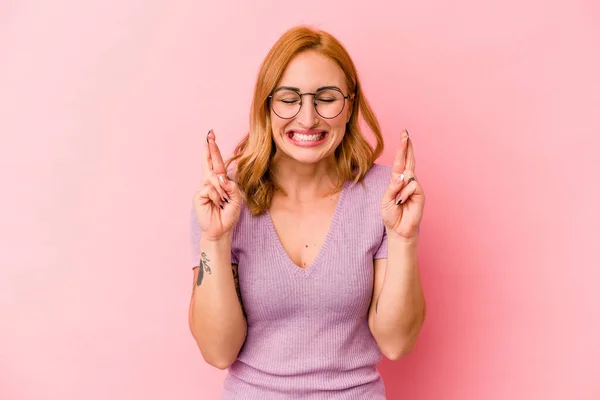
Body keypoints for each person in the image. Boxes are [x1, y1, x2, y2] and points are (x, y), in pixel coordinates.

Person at [189, 25, 426, 399]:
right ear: (266, 106)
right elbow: (218, 352)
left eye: (326, 98)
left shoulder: (384, 193)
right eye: (288, 98)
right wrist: (214, 239)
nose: (308, 118)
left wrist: (403, 238)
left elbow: (396, 344)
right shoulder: (224, 195)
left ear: (349, 105)